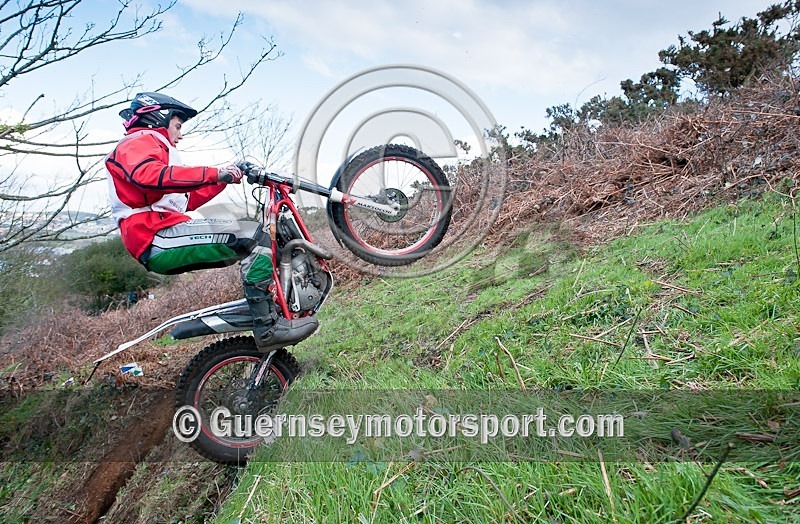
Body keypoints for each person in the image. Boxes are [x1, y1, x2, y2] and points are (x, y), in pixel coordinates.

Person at [105, 91, 318, 351]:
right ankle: (268, 326)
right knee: (252, 236)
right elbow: (148, 175)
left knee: (259, 236)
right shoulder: (140, 141)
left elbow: (186, 201)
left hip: (163, 230)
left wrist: (224, 178)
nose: (180, 135)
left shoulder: (155, 149)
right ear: (157, 118)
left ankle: (276, 308)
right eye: (178, 126)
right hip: (154, 236)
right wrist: (215, 172)